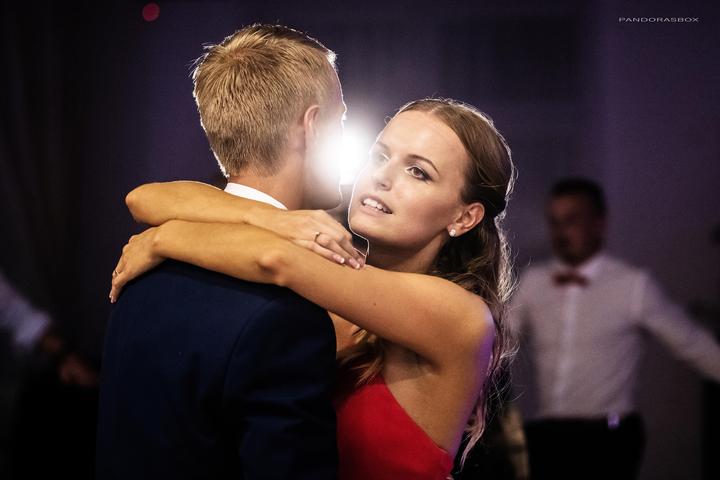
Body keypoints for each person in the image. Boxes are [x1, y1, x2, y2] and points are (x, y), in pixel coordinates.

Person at [110, 96, 517, 480]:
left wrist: (163, 238)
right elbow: (145, 198)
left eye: (418, 172)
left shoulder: (462, 315)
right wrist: (268, 218)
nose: (382, 177)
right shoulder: (329, 264)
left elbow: (276, 259)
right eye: (380, 155)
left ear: (464, 218)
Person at [96, 24, 352, 479]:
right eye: (342, 122)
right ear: (312, 127)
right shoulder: (286, 314)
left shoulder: (142, 274)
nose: (346, 137)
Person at [508, 178, 720, 480]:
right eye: (554, 222)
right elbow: (501, 343)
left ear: (599, 224)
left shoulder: (632, 285)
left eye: (571, 220)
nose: (561, 232)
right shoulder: (534, 282)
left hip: (609, 434)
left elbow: (692, 344)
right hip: (548, 432)